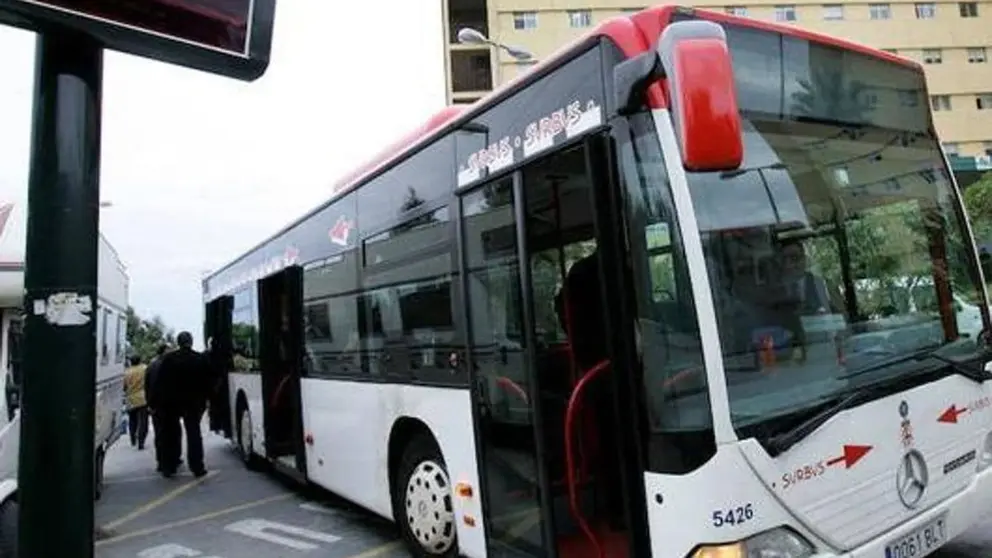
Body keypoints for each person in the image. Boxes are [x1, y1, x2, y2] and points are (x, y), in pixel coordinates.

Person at [155, 331, 211, 478]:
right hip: (193, 403)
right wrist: (205, 400)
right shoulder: (199, 359)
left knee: (170, 434)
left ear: (178, 343)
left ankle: (169, 466)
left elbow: (160, 383)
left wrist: (159, 403)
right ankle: (197, 467)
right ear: (191, 342)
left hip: (171, 403)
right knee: (194, 434)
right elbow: (207, 382)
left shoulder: (169, 360)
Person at [145, 344, 179, 473]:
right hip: (171, 406)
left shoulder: (151, 366)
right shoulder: (171, 365)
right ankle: (172, 461)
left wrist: (150, 404)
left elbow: (147, 386)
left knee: (160, 434)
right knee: (173, 434)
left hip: (157, 406)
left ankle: (161, 461)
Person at [123, 355, 150, 450]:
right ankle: (141, 442)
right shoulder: (145, 368)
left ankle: (133, 439)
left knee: (132, 420)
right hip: (143, 398)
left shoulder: (127, 372)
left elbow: (124, 387)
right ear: (140, 360)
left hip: (131, 399)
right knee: (143, 421)